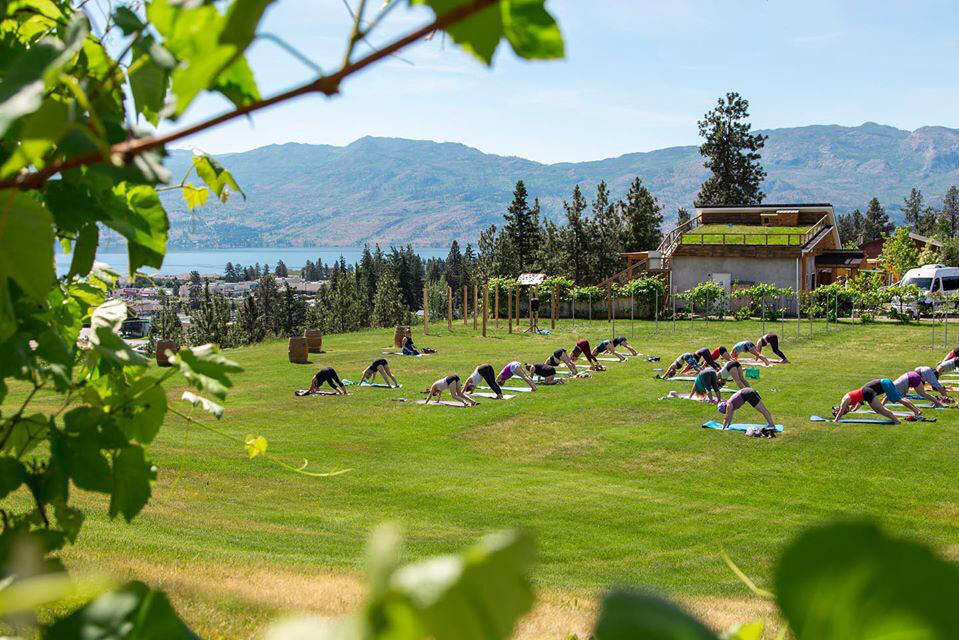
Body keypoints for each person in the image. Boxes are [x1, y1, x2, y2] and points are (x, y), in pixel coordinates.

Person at [833, 379, 921, 423]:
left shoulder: (844, 401)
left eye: (836, 411)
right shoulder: (849, 399)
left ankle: (903, 417)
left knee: (886, 406)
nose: (840, 411)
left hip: (875, 389)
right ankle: (898, 419)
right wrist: (852, 410)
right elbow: (858, 402)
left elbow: (841, 412)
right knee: (880, 408)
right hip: (874, 389)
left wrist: (836, 420)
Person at [885, 367, 951, 407]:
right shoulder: (931, 375)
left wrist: (946, 397)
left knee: (922, 393)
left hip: (913, 376)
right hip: (913, 377)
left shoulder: (931, 375)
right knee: (919, 393)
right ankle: (936, 402)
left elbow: (938, 388)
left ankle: (936, 402)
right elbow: (938, 388)